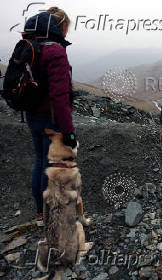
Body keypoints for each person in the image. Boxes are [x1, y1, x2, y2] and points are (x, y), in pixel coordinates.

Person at [23, 7, 77, 221]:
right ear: (60, 25)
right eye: (66, 28)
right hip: (51, 119)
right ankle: (51, 214)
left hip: (32, 115)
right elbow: (60, 97)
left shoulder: (32, 46)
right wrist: (69, 132)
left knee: (39, 161)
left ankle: (39, 212)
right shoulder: (55, 51)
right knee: (52, 166)